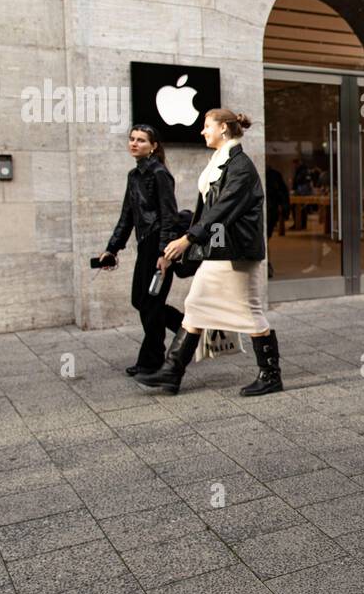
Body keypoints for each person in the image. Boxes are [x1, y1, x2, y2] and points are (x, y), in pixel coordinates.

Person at [137, 108, 283, 397]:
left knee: (250, 312)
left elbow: (221, 209)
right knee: (196, 305)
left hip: (236, 252)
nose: (202, 131)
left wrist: (188, 240)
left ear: (224, 130)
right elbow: (207, 210)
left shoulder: (240, 165)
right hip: (219, 250)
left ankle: (271, 375)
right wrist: (186, 241)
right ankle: (171, 371)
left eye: (207, 126)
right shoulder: (220, 161)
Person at [99, 124, 183, 376]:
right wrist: (112, 249)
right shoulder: (134, 175)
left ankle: (151, 360)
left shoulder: (159, 173)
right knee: (141, 300)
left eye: (141, 140)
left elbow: (170, 215)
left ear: (153, 146)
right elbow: (127, 215)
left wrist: (164, 254)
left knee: (152, 303)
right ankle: (188, 329)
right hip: (145, 243)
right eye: (132, 139)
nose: (134, 144)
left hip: (159, 244)